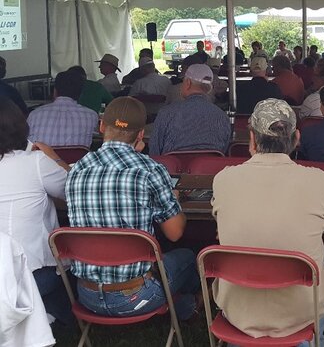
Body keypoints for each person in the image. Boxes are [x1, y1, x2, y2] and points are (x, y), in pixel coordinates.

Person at [66, 97, 200, 320]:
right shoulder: (149, 169)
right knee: (187, 257)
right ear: (140, 135)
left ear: (101, 125)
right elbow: (175, 233)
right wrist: (172, 198)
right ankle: (190, 305)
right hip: (134, 296)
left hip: (86, 295)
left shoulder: (77, 169)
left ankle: (181, 304)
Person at [212, 99, 324, 344]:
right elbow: (323, 229)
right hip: (301, 311)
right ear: (296, 138)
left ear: (252, 139)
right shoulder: (319, 181)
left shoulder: (224, 180)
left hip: (239, 311)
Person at [0, 97, 73, 326]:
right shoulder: (36, 162)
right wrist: (55, 157)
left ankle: (43, 316)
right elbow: (73, 190)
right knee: (69, 263)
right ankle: (57, 316)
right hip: (30, 277)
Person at [149, 64, 232, 155]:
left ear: (188, 83)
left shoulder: (166, 114)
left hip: (171, 168)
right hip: (211, 169)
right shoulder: (223, 117)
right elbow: (224, 151)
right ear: (208, 88)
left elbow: (154, 152)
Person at [28, 71, 97, 148]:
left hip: (42, 159)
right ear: (80, 94)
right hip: (76, 160)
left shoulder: (34, 114)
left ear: (55, 91)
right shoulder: (91, 115)